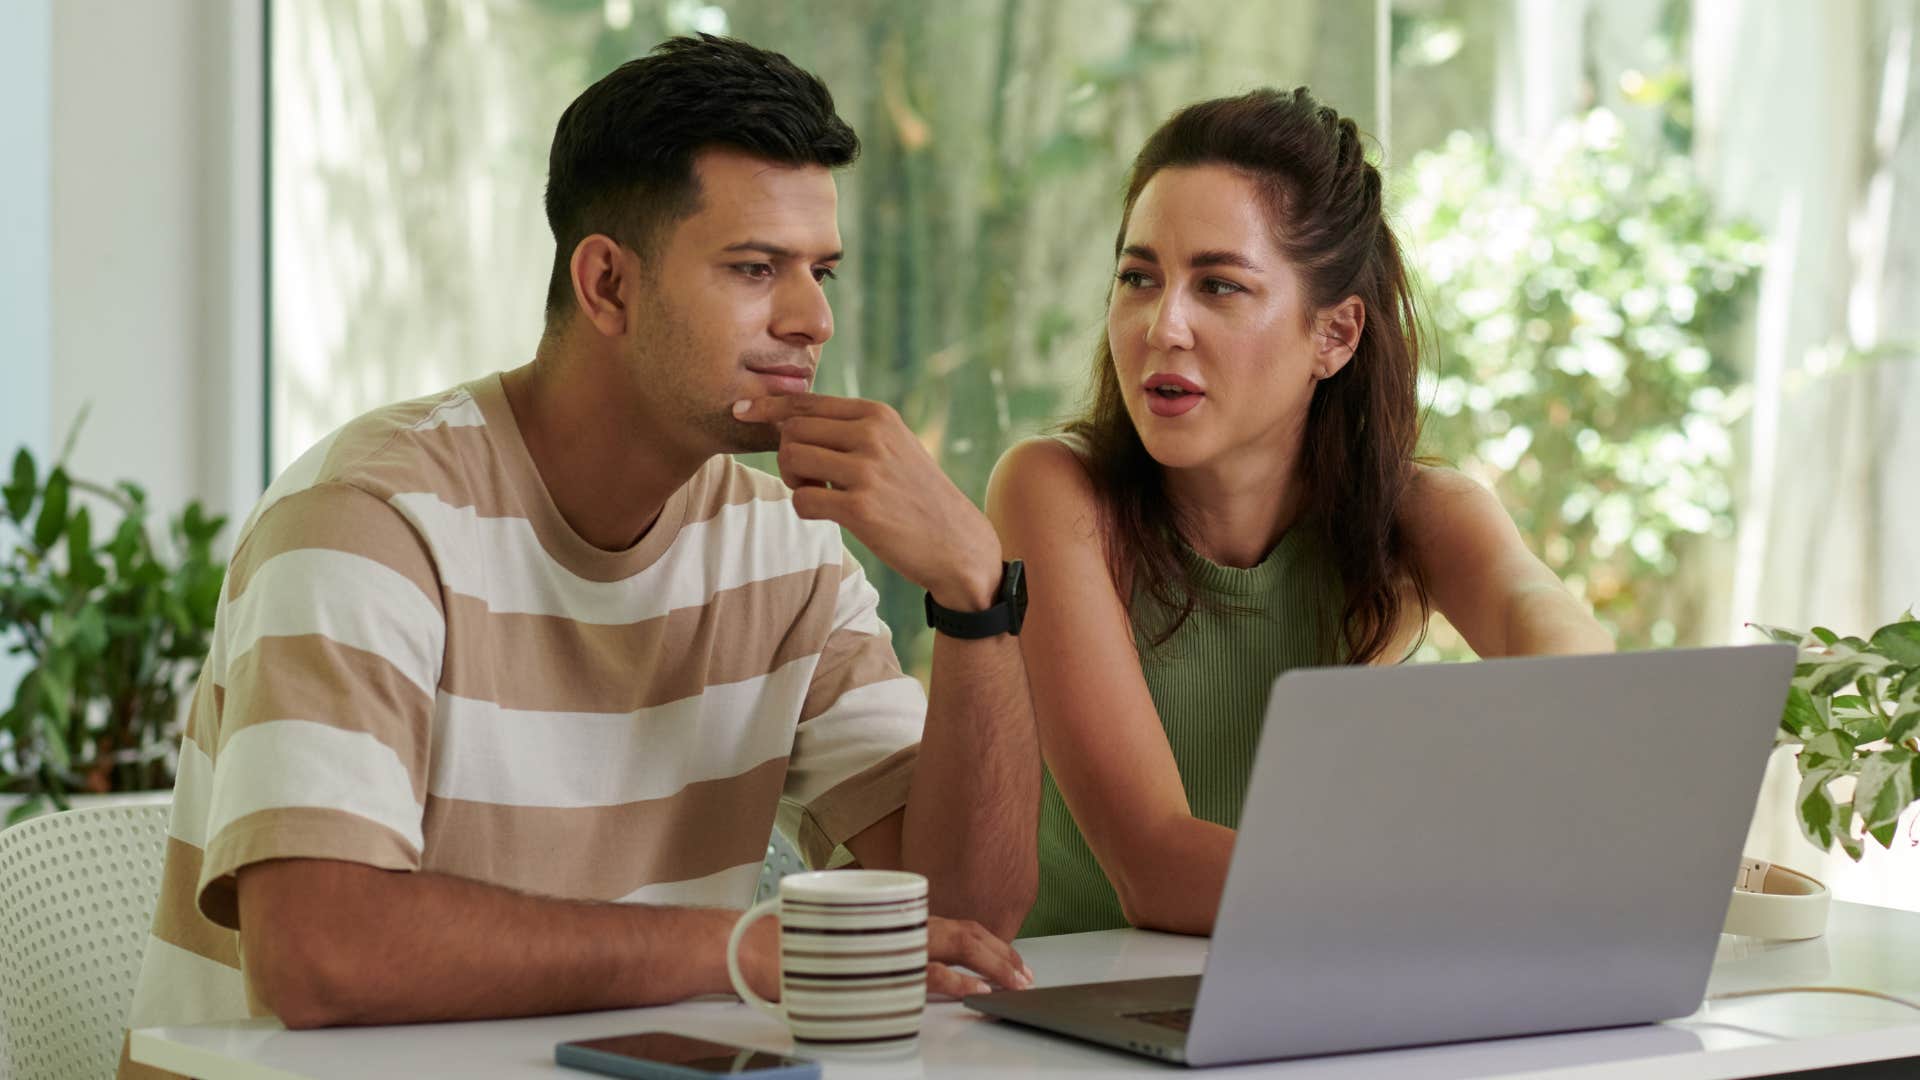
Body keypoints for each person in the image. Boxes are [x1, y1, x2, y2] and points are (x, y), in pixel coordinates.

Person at [121, 34, 1039, 1077]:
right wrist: (742, 949)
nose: (813, 317)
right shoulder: (370, 517)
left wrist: (975, 594)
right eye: (754, 268)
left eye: (819, 271)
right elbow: (322, 955)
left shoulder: (783, 548)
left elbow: (963, 925)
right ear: (605, 283)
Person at [986, 87, 1614, 940]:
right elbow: (1154, 868)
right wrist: (1454, 894)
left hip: (1308, 986)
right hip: (1071, 1019)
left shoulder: (1417, 513)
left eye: (1219, 286)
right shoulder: (1052, 492)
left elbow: (1555, 636)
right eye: (1139, 278)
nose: (1163, 326)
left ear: (1336, 335)